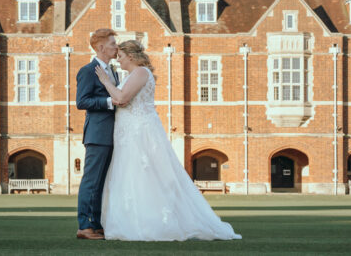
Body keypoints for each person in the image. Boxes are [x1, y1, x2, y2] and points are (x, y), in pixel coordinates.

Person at [95, 40, 241, 241]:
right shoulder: (134, 74)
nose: (117, 60)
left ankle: (149, 223)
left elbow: (121, 98)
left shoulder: (140, 72)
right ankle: (134, 219)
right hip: (128, 132)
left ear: (130, 56)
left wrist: (105, 81)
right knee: (131, 174)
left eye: (120, 56)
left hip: (139, 131)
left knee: (144, 175)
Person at [75, 28, 120, 240]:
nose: (116, 47)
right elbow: (82, 102)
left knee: (102, 182)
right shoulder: (87, 70)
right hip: (97, 134)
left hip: (112, 134)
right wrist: (110, 101)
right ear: (101, 47)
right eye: (112, 43)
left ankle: (97, 224)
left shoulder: (113, 71)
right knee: (91, 181)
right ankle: (84, 226)